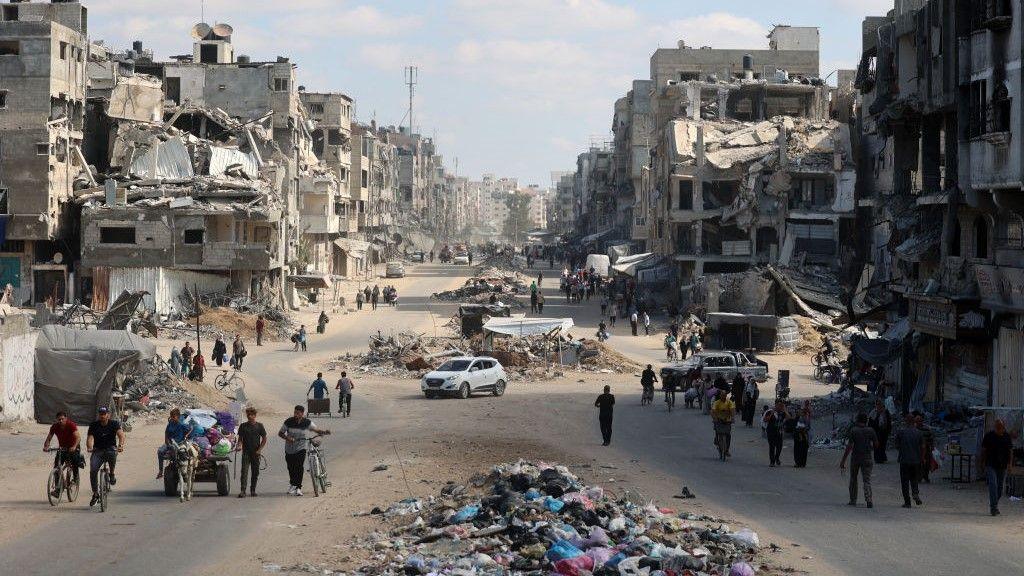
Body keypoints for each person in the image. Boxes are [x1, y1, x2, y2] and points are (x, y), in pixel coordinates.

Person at [278, 405, 330, 496]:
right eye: (295, 413)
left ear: (302, 414)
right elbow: (280, 433)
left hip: (301, 447)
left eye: (298, 413)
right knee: (291, 467)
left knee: (299, 466)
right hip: (289, 449)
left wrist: (324, 432)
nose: (295, 415)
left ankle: (298, 487)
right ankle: (293, 484)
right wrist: (287, 438)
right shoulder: (288, 422)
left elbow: (316, 430)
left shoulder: (307, 422)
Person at [87, 407, 125, 507]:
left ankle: (111, 473)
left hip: (110, 449)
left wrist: (120, 446)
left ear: (108, 415)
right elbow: (90, 437)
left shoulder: (114, 424)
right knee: (93, 470)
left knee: (113, 454)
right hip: (97, 450)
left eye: (104, 414)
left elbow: (121, 435)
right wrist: (89, 447)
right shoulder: (94, 425)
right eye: (100, 414)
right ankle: (95, 494)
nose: (102, 416)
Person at [840, 412, 878, 508]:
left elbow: (849, 446)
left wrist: (843, 460)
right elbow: (876, 444)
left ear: (857, 420)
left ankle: (853, 500)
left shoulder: (854, 430)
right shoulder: (871, 430)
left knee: (853, 478)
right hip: (867, 458)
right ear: (866, 421)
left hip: (856, 458)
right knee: (867, 480)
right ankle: (869, 500)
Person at [980, 418, 1015, 516]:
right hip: (990, 464)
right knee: (993, 485)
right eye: (997, 427)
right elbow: (983, 450)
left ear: (1004, 427)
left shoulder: (1007, 437)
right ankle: (993, 508)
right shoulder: (989, 436)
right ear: (995, 427)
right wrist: (982, 463)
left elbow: (1010, 451)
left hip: (1002, 465)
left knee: (999, 488)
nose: (999, 429)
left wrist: (1010, 464)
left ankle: (994, 503)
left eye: (1001, 427)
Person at [43, 411, 82, 490]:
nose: (60, 421)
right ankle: (58, 489)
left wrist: (74, 446)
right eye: (59, 419)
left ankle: (75, 478)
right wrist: (46, 446)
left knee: (74, 461)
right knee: (57, 467)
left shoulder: (71, 425)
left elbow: (78, 437)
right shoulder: (54, 427)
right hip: (62, 448)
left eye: (62, 419)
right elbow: (49, 438)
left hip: (73, 447)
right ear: (57, 420)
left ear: (66, 419)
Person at [894, 413, 925, 508]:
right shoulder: (919, 433)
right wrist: (922, 458)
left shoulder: (901, 432)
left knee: (905, 481)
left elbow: (897, 445)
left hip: (904, 460)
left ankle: (907, 501)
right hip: (916, 460)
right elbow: (923, 447)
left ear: (906, 421)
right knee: (914, 479)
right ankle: (915, 493)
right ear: (914, 421)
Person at [237, 407, 267, 498]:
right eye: (248, 415)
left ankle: (253, 490)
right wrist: (239, 445)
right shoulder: (243, 426)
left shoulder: (259, 426)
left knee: (255, 472)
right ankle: (243, 491)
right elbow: (240, 438)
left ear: (255, 415)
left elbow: (264, 439)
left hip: (256, 453)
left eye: (251, 415)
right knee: (244, 472)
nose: (249, 417)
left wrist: (259, 450)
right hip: (246, 452)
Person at [156, 408, 192, 479]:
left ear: (178, 416)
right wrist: (167, 441)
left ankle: (176, 465)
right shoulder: (170, 424)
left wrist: (186, 435)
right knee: (160, 451)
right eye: (171, 416)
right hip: (169, 442)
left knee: (173, 448)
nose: (172, 418)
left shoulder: (181, 425)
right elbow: (166, 433)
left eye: (173, 416)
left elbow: (191, 428)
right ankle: (160, 471)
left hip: (178, 443)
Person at [711, 391, 735, 457]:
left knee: (728, 435)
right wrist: (714, 418)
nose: (723, 397)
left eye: (724, 395)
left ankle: (727, 450)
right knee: (717, 431)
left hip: (727, 420)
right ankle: (716, 439)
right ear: (720, 396)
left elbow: (732, 410)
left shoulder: (729, 402)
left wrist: (733, 418)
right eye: (722, 395)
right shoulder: (716, 403)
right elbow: (713, 411)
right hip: (718, 419)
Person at [868, 399, 892, 464]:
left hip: (884, 432)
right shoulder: (873, 412)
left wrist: (888, 430)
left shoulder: (886, 412)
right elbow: (870, 423)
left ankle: (882, 457)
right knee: (876, 445)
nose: (878, 406)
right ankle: (878, 459)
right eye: (877, 404)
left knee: (883, 445)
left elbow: (889, 422)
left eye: (879, 404)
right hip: (876, 432)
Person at [763, 401, 787, 466]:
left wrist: (785, 410)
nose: (780, 407)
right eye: (779, 405)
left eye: (781, 406)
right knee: (772, 447)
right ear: (776, 405)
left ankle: (777, 458)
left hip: (779, 431)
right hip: (771, 431)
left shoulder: (782, 413)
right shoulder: (770, 412)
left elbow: (789, 418)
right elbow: (765, 420)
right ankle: (772, 461)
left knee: (779, 447)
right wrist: (771, 413)